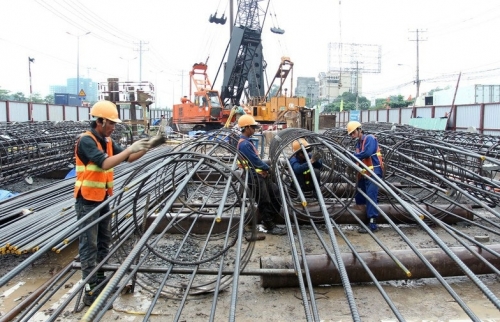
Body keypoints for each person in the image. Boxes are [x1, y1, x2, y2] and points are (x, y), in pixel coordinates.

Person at [74, 100, 153, 306]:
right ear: (99, 121)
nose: (113, 127)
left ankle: (99, 281)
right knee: (88, 246)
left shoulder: (107, 140)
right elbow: (106, 163)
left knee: (103, 242)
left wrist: (148, 146)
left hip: (102, 198)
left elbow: (129, 158)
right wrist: (129, 150)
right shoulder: (87, 140)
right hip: (87, 200)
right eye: (111, 123)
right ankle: (90, 291)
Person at [237, 114, 286, 235]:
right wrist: (267, 168)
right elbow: (255, 162)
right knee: (264, 201)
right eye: (253, 127)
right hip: (254, 177)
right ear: (247, 127)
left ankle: (270, 220)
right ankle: (269, 225)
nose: (254, 129)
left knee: (275, 194)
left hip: (259, 175)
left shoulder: (247, 142)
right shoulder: (244, 144)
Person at [346, 121, 384, 233]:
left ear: (359, 130)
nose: (352, 135)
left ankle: (372, 224)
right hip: (364, 172)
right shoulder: (358, 143)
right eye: (350, 134)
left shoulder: (369, 139)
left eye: (353, 133)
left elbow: (367, 153)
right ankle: (362, 217)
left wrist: (352, 156)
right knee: (359, 194)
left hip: (373, 172)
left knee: (371, 196)